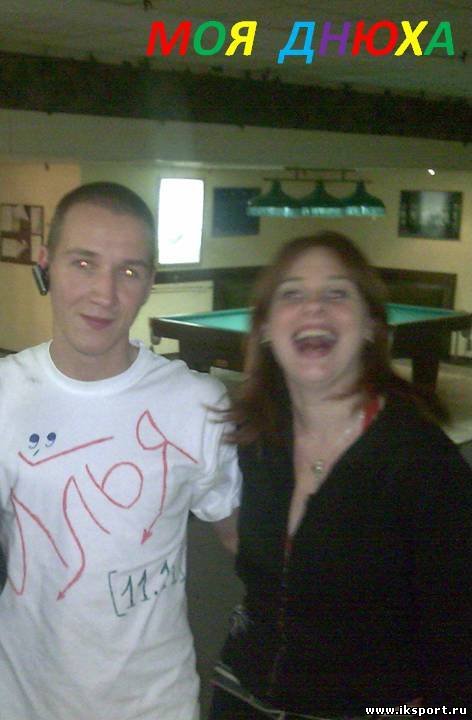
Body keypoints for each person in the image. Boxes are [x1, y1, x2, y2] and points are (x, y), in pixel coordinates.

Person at [0, 182, 240, 720]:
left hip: (155, 704)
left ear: (150, 282)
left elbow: (242, 537)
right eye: (83, 263)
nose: (104, 294)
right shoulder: (5, 394)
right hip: (21, 699)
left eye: (128, 271)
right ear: (46, 264)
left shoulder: (196, 404)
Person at [209, 231, 472, 718]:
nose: (314, 308)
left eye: (337, 293)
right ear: (265, 329)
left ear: (371, 326)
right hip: (240, 693)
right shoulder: (254, 441)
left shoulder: (421, 462)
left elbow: (458, 642)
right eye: (292, 294)